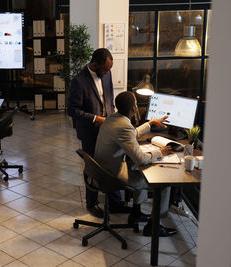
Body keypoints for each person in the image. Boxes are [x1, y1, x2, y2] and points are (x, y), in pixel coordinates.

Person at [94, 91, 177, 237]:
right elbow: (142, 159)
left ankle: (136, 213)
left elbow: (130, 134)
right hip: (111, 175)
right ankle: (154, 226)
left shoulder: (113, 118)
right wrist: (161, 152)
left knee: (134, 165)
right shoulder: (124, 127)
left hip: (100, 169)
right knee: (163, 183)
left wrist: (150, 123)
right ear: (134, 109)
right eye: (136, 105)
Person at [67, 48, 128, 218]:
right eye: (106, 69)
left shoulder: (107, 75)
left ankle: (115, 203)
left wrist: (114, 116)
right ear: (94, 64)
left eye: (110, 69)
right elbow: (72, 111)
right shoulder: (78, 81)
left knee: (113, 162)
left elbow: (109, 98)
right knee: (93, 167)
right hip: (90, 131)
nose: (108, 72)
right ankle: (91, 203)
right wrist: (96, 118)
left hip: (109, 129)